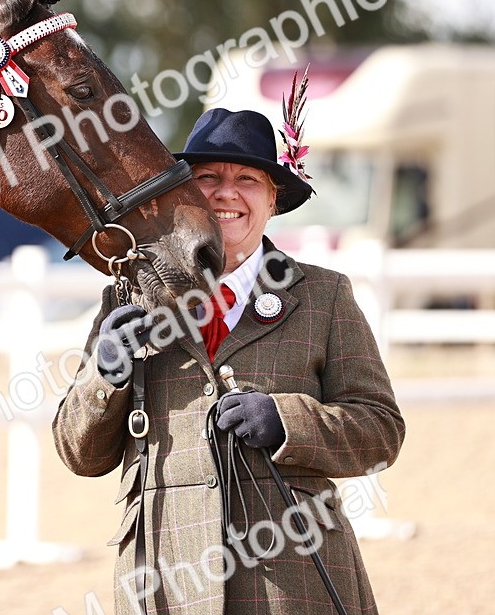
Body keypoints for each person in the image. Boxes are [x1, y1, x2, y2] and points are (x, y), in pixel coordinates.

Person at [52, 106, 405, 615]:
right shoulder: (129, 300)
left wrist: (287, 421)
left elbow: (381, 432)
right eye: (207, 178)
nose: (225, 193)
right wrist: (104, 377)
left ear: (273, 199)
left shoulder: (325, 296)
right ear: (184, 192)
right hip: (167, 583)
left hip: (293, 582)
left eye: (247, 179)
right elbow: (78, 454)